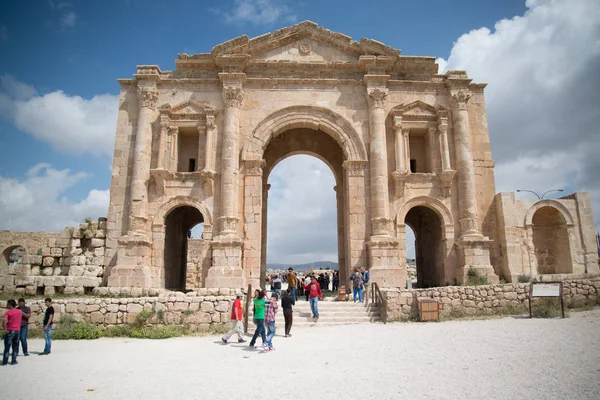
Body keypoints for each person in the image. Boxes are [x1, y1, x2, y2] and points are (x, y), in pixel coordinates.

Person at [2, 299, 22, 365]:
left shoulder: (8, 313)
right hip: (17, 330)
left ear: (10, 305)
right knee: (15, 346)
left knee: (7, 347)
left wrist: (5, 329)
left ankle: (5, 361)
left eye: (7, 304)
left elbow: (4, 321)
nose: (6, 305)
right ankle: (13, 361)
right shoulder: (19, 312)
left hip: (10, 330)